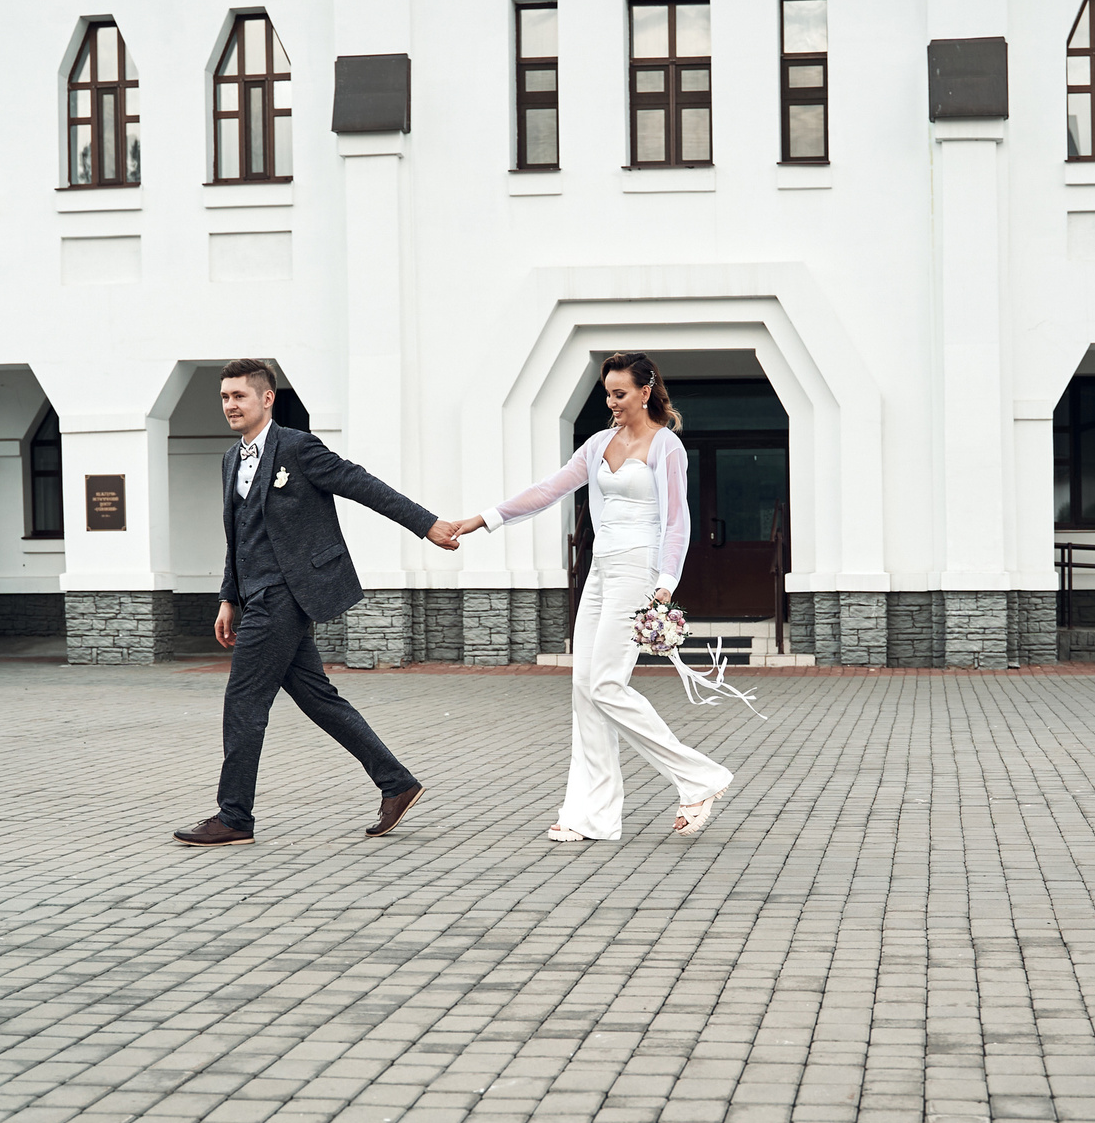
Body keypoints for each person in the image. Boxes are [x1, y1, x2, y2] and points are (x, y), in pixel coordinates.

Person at [435, 354, 733, 841]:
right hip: (601, 570)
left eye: (620, 393)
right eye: (607, 393)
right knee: (584, 688)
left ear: (644, 392)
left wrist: (666, 583)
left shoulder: (666, 446)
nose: (612, 402)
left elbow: (678, 520)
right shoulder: (597, 445)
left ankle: (698, 777)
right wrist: (481, 520)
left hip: (639, 569)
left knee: (607, 685)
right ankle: (591, 815)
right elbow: (547, 491)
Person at [173, 359, 454, 847]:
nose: (230, 405)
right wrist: (228, 598)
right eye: (224, 397)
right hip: (254, 595)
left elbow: (362, 484)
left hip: (285, 594)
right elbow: (238, 537)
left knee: (244, 702)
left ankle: (234, 817)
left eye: (239, 395)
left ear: (267, 398)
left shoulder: (298, 448)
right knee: (318, 698)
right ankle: (397, 783)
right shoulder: (230, 459)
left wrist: (426, 524)